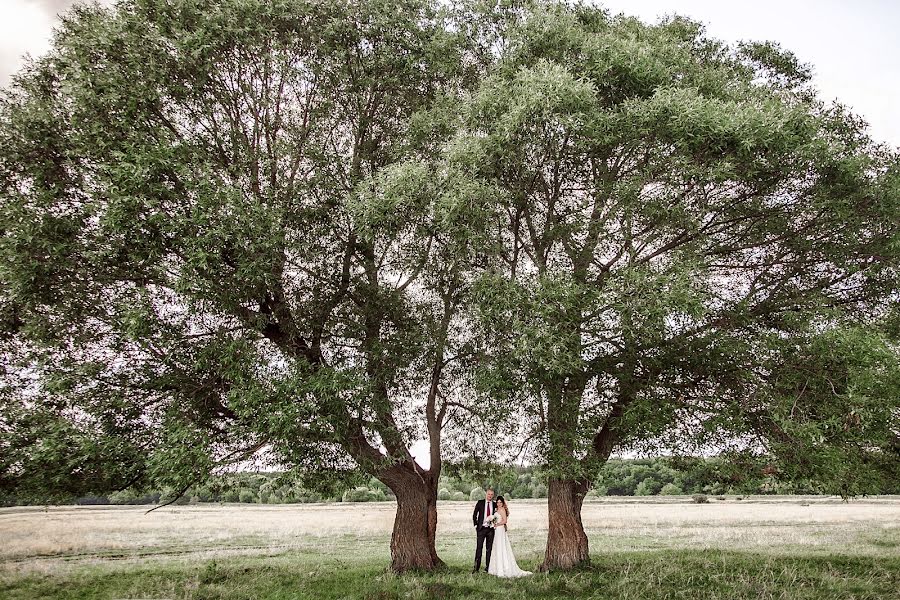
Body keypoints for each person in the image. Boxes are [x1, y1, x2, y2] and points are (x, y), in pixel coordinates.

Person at [487, 496, 532, 578]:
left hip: (500, 530)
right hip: (496, 531)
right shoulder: (496, 510)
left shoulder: (502, 510)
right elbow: (495, 519)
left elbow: (505, 521)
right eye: (498, 502)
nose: (499, 504)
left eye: (500, 502)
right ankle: (495, 569)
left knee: (501, 547)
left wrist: (497, 524)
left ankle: (504, 569)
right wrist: (493, 522)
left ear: (503, 503)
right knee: (497, 547)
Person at [471, 488, 496, 573]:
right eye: (489, 494)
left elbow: (498, 515)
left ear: (493, 495)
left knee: (489, 549)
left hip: (491, 530)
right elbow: (474, 515)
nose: (490, 496)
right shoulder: (480, 503)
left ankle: (488, 568)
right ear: (486, 494)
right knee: (479, 548)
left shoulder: (495, 504)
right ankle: (476, 568)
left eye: (492, 495)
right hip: (481, 529)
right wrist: (476, 525)